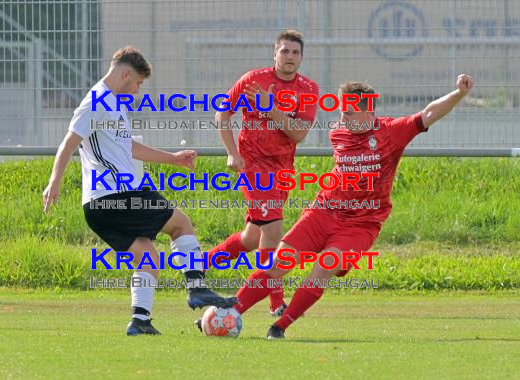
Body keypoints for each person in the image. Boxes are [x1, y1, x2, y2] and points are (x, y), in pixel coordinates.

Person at [198, 74, 474, 339]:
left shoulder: (392, 132)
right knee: (280, 263)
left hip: (361, 224)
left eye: (350, 113)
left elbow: (429, 113)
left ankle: (279, 326)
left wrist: (460, 93)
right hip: (324, 212)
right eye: (342, 112)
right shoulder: (338, 133)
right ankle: (230, 311)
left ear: (369, 114)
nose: (342, 118)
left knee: (323, 266)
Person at [43, 46, 237, 336]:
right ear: (124, 74)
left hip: (99, 206)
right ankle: (197, 288)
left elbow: (129, 147)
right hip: (118, 196)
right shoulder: (96, 101)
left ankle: (140, 321)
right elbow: (69, 142)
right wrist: (54, 182)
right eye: (137, 83)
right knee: (181, 224)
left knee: (148, 256)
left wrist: (172, 158)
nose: (137, 90)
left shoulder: (113, 104)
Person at [207, 30, 320, 317]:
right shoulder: (252, 80)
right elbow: (223, 114)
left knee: (251, 238)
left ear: (302, 57)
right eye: (285, 51)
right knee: (273, 231)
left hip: (282, 169)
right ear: (275, 54)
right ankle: (275, 303)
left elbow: (297, 134)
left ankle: (199, 264)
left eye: (295, 52)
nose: (290, 57)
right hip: (253, 166)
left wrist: (271, 109)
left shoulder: (308, 89)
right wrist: (232, 152)